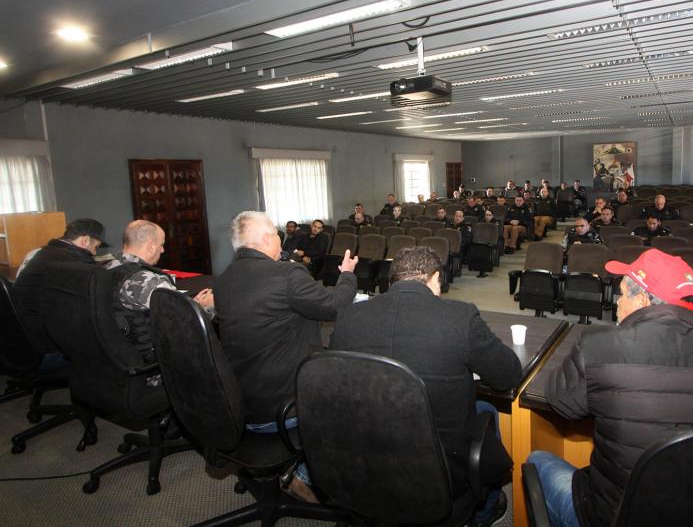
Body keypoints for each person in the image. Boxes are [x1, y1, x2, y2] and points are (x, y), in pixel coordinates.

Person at [526, 249, 693, 527]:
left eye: (623, 294)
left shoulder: (599, 346)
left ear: (643, 300)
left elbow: (561, 401)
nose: (617, 303)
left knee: (538, 461)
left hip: (616, 518)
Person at [331, 246, 521, 527]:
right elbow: (508, 376)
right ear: (434, 278)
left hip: (366, 456)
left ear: (393, 278)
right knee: (487, 410)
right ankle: (486, 510)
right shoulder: (460, 317)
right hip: (441, 469)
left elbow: (337, 381)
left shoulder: (349, 316)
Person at [215, 211, 357, 502]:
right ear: (268, 238)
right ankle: (303, 476)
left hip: (236, 404)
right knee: (355, 398)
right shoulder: (286, 274)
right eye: (277, 234)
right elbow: (334, 306)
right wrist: (346, 276)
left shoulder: (225, 278)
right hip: (281, 411)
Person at [105, 220, 214, 360]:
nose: (162, 250)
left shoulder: (106, 267)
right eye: (161, 245)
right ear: (151, 246)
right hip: (152, 362)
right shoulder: (147, 281)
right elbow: (186, 324)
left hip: (117, 354)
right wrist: (205, 307)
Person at [15, 218, 108, 355]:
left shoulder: (46, 253)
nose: (94, 253)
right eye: (95, 247)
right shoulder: (73, 261)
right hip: (45, 347)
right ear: (85, 240)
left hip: (21, 340)